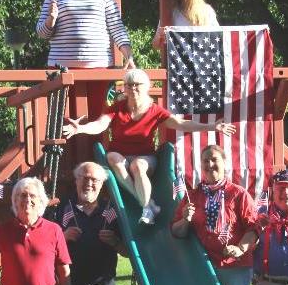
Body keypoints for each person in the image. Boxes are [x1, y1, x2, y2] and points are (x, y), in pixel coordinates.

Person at [62, 68, 236, 225]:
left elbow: (180, 123)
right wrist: (80, 129)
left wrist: (211, 127)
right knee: (112, 157)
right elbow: (100, 125)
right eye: (129, 85)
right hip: (121, 158)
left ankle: (147, 207)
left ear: (145, 87)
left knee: (137, 165)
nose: (132, 89)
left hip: (145, 158)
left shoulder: (155, 110)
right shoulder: (117, 108)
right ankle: (148, 204)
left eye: (137, 85)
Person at [36, 0, 135, 117]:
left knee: (98, 116)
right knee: (63, 118)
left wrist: (128, 55)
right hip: (61, 68)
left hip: (99, 67)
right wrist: (50, 20)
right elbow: (41, 34)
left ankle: (96, 145)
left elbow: (116, 27)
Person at [171, 144, 258, 285]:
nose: (210, 165)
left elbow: (254, 228)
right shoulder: (192, 196)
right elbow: (176, 232)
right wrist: (185, 220)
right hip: (204, 267)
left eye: (214, 159)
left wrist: (240, 249)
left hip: (234, 266)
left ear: (225, 163)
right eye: (205, 161)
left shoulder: (238, 194)